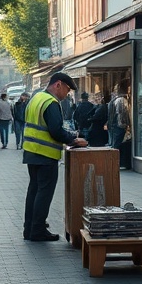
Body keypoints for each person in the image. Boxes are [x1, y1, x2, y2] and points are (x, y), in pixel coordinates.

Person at [22, 72, 87, 241]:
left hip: (31, 152)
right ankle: (38, 230)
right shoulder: (50, 102)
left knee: (34, 190)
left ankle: (29, 228)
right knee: (44, 192)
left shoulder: (36, 98)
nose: (67, 94)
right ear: (58, 85)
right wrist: (74, 140)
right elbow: (56, 130)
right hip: (45, 154)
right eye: (67, 89)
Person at [108, 83, 130, 150]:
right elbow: (121, 114)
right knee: (118, 147)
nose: (115, 91)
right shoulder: (121, 100)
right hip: (119, 128)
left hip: (114, 127)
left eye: (116, 89)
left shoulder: (115, 100)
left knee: (116, 147)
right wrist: (125, 126)